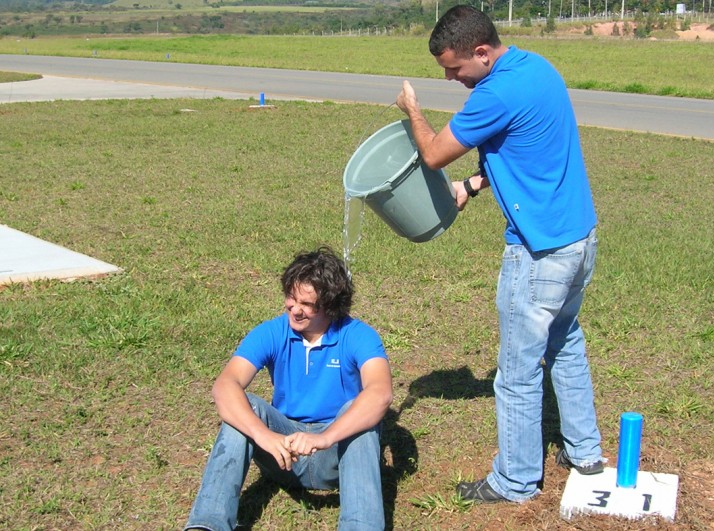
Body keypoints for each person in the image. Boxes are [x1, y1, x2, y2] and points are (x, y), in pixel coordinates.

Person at [395, 5, 604, 503]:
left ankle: (514, 481)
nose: (451, 77)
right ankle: (585, 452)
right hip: (579, 238)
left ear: (482, 52)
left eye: (454, 67)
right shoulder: (536, 67)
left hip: (538, 254)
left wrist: (413, 111)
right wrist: (472, 185)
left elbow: (432, 153)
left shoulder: (494, 93)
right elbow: (523, 149)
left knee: (517, 374)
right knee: (565, 343)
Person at [183, 247, 393, 530]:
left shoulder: (358, 335)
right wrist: (264, 435)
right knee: (247, 406)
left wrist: (326, 437)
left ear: (330, 305)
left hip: (336, 453)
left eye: (307, 304)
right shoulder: (273, 332)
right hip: (283, 454)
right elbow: (225, 385)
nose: (294, 309)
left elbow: (380, 393)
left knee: (359, 415)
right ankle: (207, 523)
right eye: (291, 298)